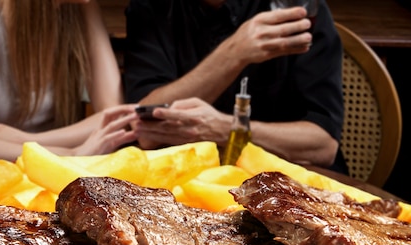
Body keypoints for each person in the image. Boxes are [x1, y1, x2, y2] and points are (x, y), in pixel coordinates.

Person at [123, 0, 348, 173]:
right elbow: (144, 125)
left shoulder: (295, 6)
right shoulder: (152, 7)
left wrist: (228, 130)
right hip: (189, 184)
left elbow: (323, 144)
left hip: (292, 184)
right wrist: (234, 53)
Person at [0, 0, 138, 171]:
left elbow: (114, 118)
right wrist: (69, 153)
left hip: (27, 168)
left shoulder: (81, 11)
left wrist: (27, 142)